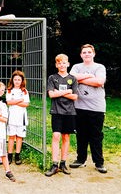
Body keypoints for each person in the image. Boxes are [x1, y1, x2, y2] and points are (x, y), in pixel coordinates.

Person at [69, 44, 107, 173]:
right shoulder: (76, 67)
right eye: (84, 52)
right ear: (81, 55)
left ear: (93, 54)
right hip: (79, 106)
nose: (86, 54)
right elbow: (71, 79)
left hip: (97, 107)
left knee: (96, 135)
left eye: (89, 52)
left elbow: (99, 82)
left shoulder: (99, 67)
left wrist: (81, 79)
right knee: (81, 134)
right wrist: (90, 77)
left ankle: (99, 162)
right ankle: (81, 159)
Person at [44, 54, 78, 177]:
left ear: (68, 64)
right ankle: (54, 164)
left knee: (66, 137)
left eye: (64, 63)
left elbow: (75, 96)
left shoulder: (73, 79)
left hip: (69, 112)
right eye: (59, 63)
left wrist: (60, 93)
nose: (62, 65)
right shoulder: (52, 78)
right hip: (56, 111)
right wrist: (67, 91)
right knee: (56, 136)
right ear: (56, 65)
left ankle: (63, 163)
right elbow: (51, 95)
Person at [6, 70, 30, 165]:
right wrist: (20, 100)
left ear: (22, 81)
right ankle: (9, 155)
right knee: (11, 136)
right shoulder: (9, 90)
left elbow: (26, 104)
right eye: (15, 79)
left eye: (19, 79)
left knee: (19, 137)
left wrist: (15, 101)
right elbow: (9, 102)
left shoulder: (24, 91)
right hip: (12, 118)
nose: (17, 81)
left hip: (21, 118)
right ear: (12, 80)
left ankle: (17, 155)